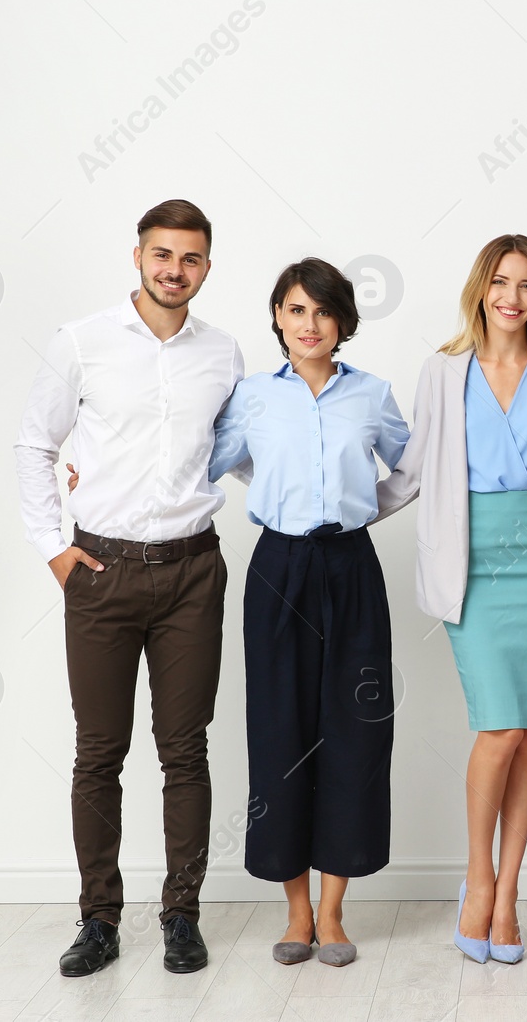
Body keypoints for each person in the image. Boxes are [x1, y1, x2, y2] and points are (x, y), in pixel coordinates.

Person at [15, 200, 242, 977]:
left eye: (190, 258)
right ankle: (99, 919)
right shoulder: (82, 341)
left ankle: (182, 913)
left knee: (185, 750)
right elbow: (35, 443)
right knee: (98, 752)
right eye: (161, 254)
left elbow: (241, 453)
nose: (174, 270)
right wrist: (55, 549)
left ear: (207, 267)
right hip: (102, 573)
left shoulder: (225, 353)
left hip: (191, 573)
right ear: (138, 256)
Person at [376, 234, 527, 964]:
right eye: (501, 282)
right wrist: (327, 508)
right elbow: (411, 471)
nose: (512, 296)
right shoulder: (443, 371)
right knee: (500, 727)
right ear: (480, 289)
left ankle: (508, 895)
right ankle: (478, 882)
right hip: (472, 559)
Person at [208, 257, 408, 968]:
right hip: (279, 570)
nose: (310, 324)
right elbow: (212, 462)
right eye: (296, 310)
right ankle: (296, 912)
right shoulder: (255, 395)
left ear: (343, 321)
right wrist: (279, 497)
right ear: (278, 319)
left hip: (351, 566)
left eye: (323, 311)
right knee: (281, 730)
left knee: (355, 731)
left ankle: (334, 911)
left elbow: (411, 468)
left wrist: (357, 512)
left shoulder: (372, 394)